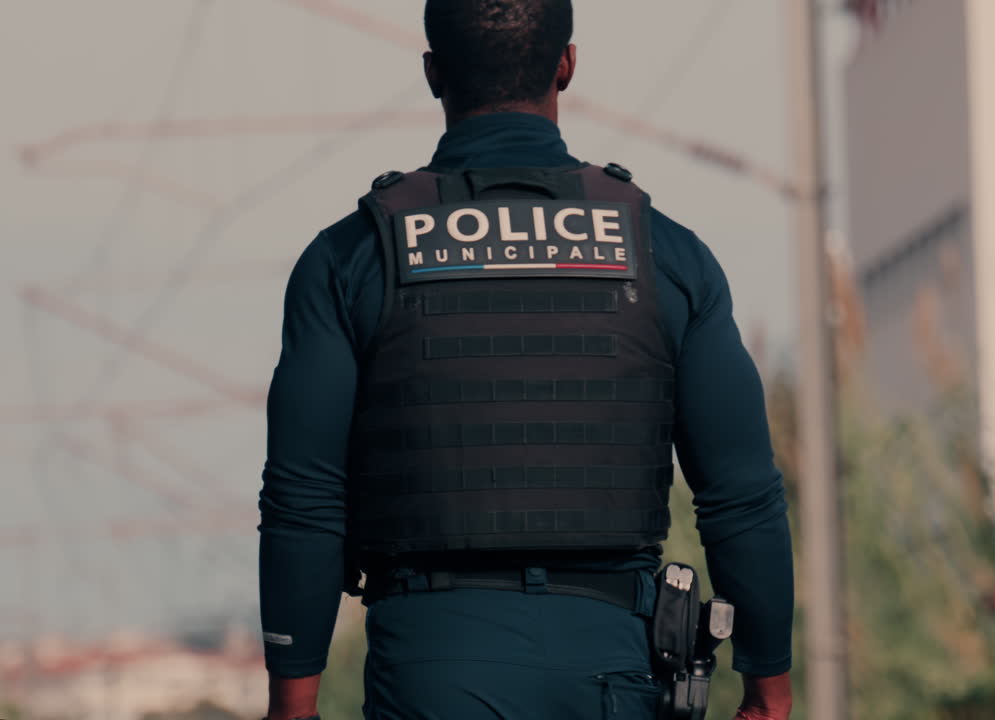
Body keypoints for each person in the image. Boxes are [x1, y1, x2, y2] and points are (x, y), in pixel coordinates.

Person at [257, 1, 794, 718]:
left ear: (432, 73)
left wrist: (292, 702)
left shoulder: (351, 258)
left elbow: (304, 498)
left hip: (431, 663)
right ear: (567, 64)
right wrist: (767, 685)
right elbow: (740, 495)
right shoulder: (665, 254)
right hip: (612, 664)